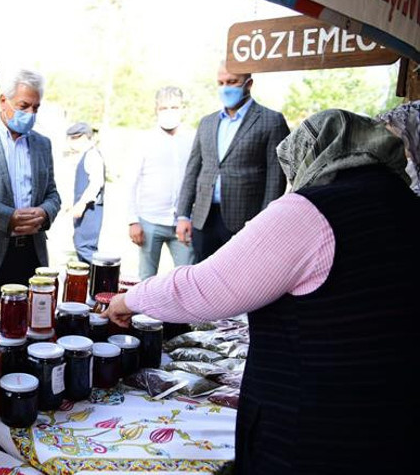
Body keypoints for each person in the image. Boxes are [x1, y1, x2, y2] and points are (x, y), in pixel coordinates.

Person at [105, 109, 419, 474]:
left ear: (314, 153)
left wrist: (129, 299)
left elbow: (205, 288)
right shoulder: (406, 206)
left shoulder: (312, 211)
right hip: (393, 422)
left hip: (313, 431)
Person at [175, 62, 289, 262]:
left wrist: (264, 224)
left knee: (238, 282)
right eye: (221, 82)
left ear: (248, 84)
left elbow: (275, 179)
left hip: (244, 221)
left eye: (232, 82)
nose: (225, 87)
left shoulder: (271, 121)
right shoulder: (207, 122)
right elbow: (193, 170)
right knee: (201, 279)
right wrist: (183, 215)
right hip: (203, 219)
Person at [0, 69, 61, 317]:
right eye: (24, 106)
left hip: (32, 255)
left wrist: (45, 213)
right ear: (4, 101)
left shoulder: (42, 144)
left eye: (36, 108)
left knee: (31, 327)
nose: (31, 114)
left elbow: (53, 193)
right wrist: (7, 217)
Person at [127, 86, 195, 280]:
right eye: (164, 108)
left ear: (183, 109)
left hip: (183, 222)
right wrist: (133, 221)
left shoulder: (192, 139)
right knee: (146, 280)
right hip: (150, 221)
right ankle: (144, 312)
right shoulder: (144, 140)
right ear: (156, 110)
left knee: (186, 278)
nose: (169, 112)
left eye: (174, 107)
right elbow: (131, 182)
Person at [67, 122, 105, 264]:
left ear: (82, 137)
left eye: (73, 138)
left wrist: (81, 205)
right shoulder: (88, 154)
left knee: (85, 247)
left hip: (90, 209)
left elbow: (96, 183)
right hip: (87, 209)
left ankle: (99, 280)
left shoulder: (92, 155)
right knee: (82, 245)